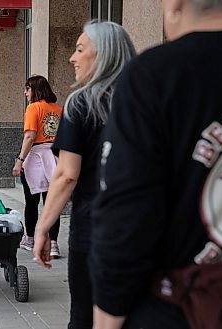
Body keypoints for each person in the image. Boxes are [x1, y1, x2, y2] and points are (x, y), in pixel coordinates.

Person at [89, 1, 222, 328]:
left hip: (179, 311)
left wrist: (107, 315)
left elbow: (126, 216)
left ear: (175, 4)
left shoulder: (154, 75)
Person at [33, 21, 136, 329]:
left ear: (103, 55)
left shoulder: (82, 102)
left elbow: (66, 175)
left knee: (84, 316)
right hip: (143, 229)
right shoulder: (145, 100)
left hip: (95, 231)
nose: (71, 58)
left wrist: (43, 228)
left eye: (80, 50)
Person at [11, 75, 62, 257]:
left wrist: (20, 160)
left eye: (27, 89)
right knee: (52, 202)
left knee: (31, 202)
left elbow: (30, 136)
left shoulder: (33, 108)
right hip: (55, 157)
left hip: (36, 156)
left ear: (34, 90)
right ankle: (54, 243)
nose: (25, 93)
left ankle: (30, 238)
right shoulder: (58, 109)